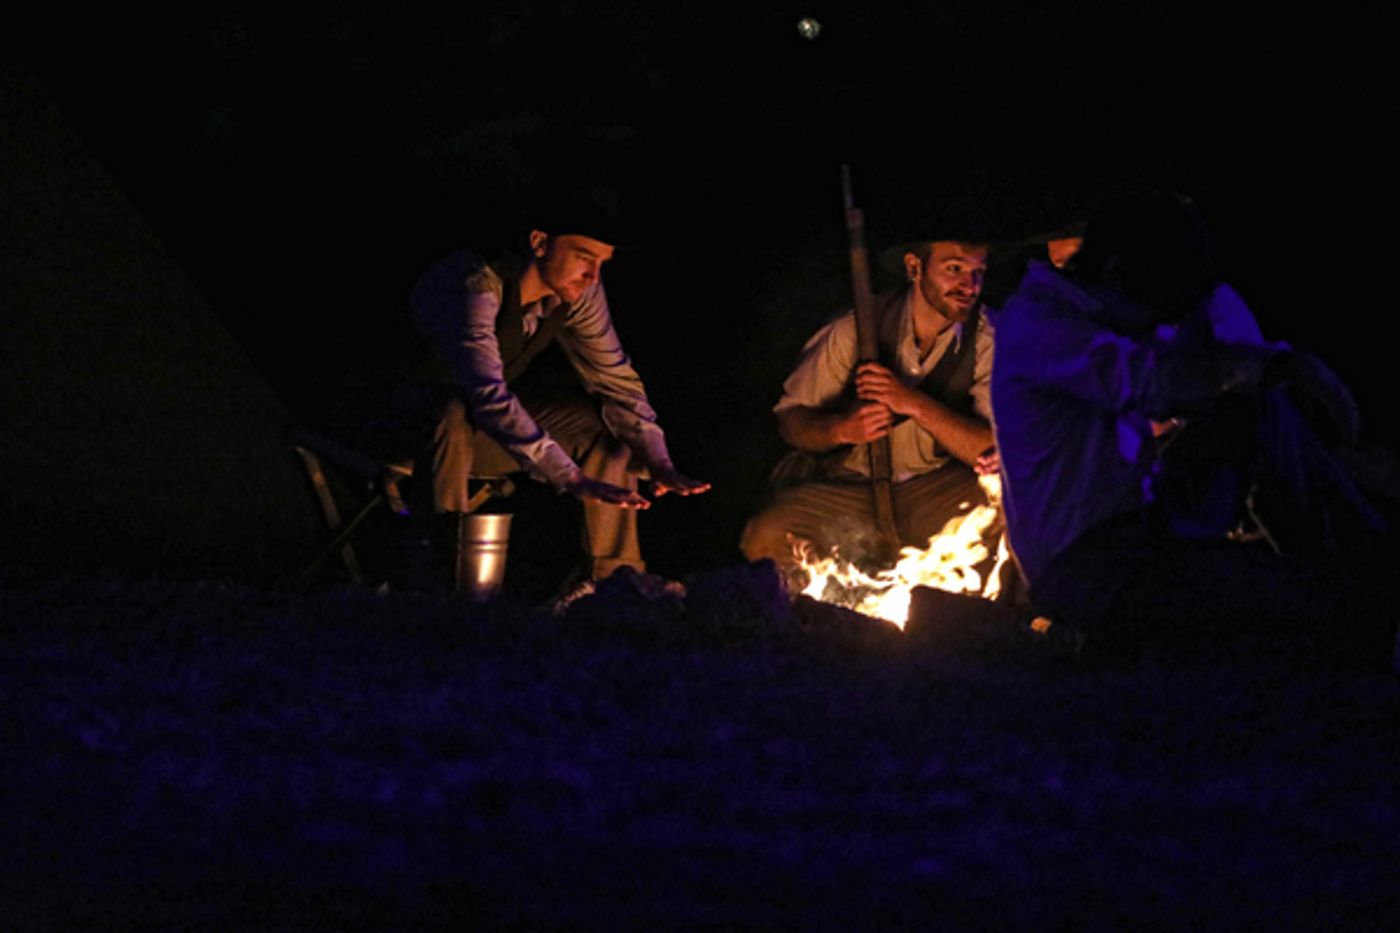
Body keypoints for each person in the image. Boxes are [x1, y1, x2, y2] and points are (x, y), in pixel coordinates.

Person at [991, 192, 1389, 657]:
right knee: (1306, 597)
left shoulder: (1087, 316)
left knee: (1254, 414)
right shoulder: (1040, 322)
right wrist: (1281, 364)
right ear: (1117, 274)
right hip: (1089, 572)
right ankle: (1359, 584)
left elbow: (1186, 372)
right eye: (1161, 308)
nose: (1163, 324)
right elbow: (1153, 380)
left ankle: (1363, 563)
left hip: (1135, 535)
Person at [408, 206, 709, 584]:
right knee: (451, 411)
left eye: (601, 263)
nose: (593, 275)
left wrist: (658, 459)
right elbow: (487, 394)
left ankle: (618, 581)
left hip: (474, 429)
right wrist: (568, 476)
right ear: (539, 243)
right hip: (400, 425)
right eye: (584, 258)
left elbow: (615, 377)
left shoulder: (576, 292)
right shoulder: (476, 284)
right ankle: (444, 581)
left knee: (603, 428)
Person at [741, 237, 995, 570]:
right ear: (914, 268)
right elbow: (791, 421)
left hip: (934, 489)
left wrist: (913, 403)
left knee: (1018, 508)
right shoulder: (856, 327)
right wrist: (842, 430)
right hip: (850, 490)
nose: (969, 285)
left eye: (978, 272)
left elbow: (992, 449)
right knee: (763, 537)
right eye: (954, 269)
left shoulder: (988, 336)